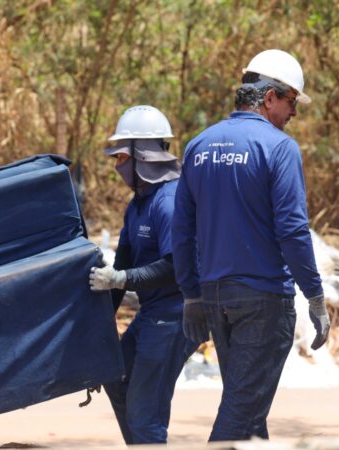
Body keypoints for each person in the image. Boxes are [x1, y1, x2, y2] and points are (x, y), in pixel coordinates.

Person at [170, 49, 330, 441]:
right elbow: (292, 231)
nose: (294, 113)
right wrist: (315, 296)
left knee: (249, 415)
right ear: (270, 97)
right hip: (263, 301)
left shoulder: (198, 146)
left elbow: (182, 229)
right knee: (240, 414)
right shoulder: (278, 148)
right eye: (292, 102)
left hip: (216, 298)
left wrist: (192, 294)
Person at [89, 105, 198, 444]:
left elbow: (177, 267)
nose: (117, 165)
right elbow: (120, 266)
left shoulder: (169, 201)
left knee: (145, 412)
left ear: (143, 155)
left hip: (175, 316)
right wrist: (95, 330)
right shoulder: (137, 205)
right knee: (115, 376)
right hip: (152, 314)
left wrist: (121, 280)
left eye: (122, 157)